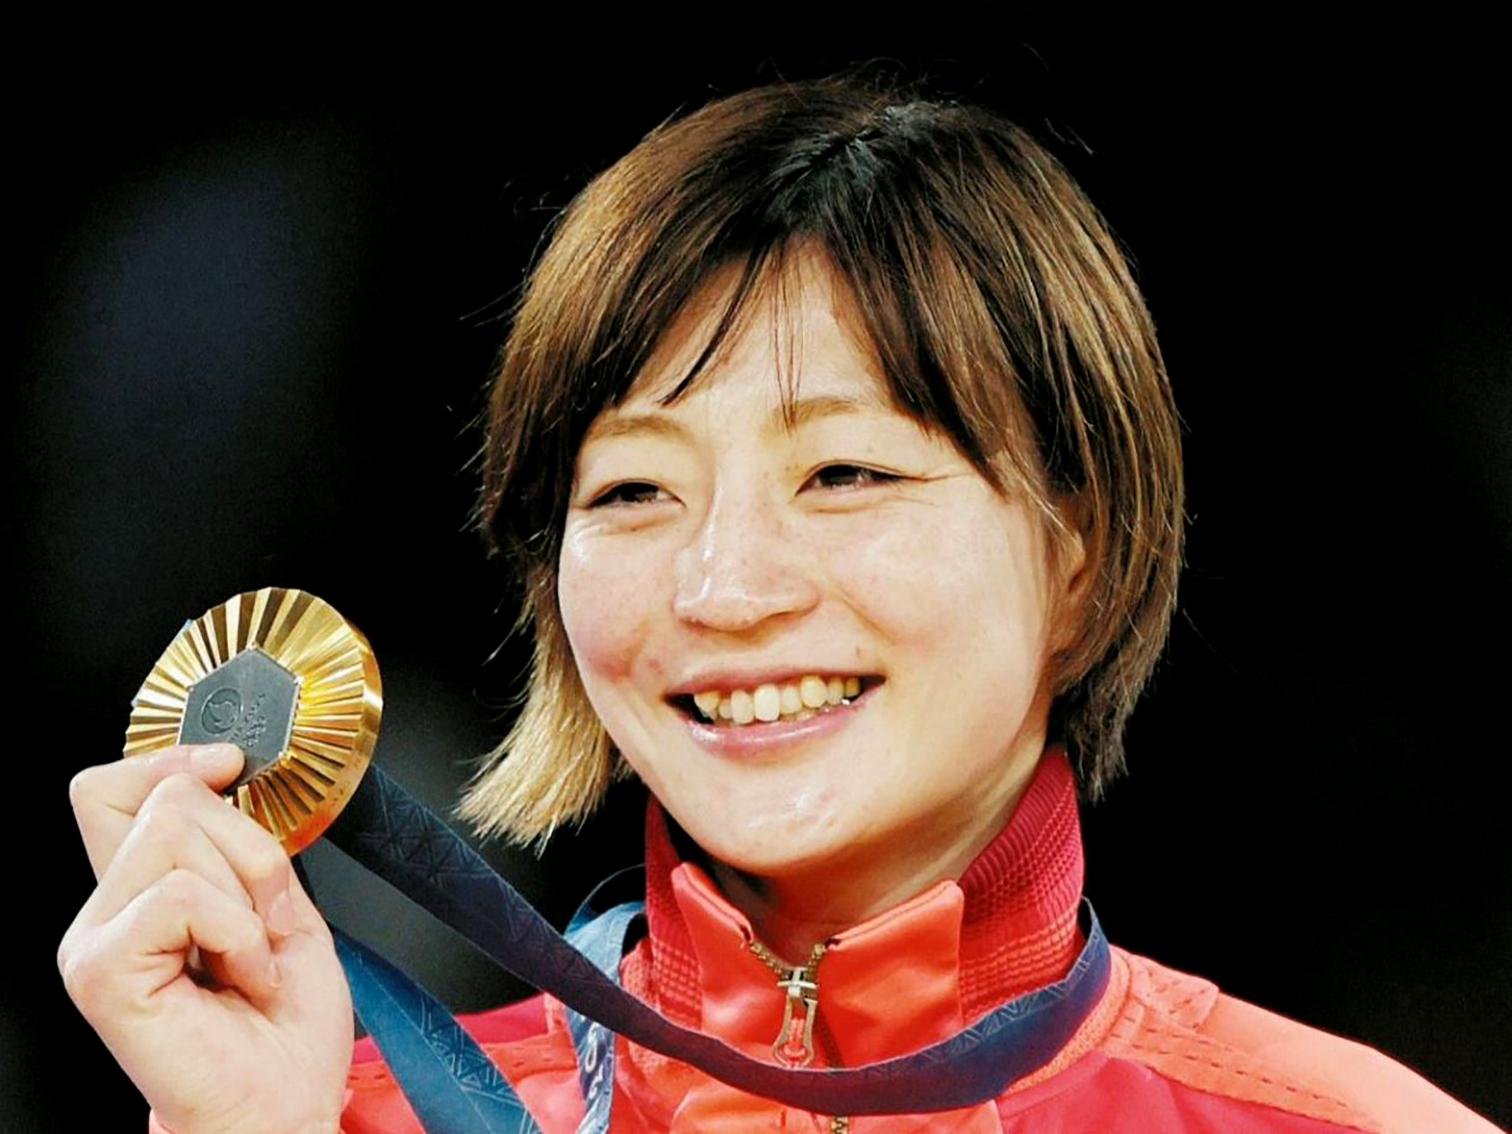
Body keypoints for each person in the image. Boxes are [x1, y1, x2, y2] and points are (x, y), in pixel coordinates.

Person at [58, 76, 1501, 1133]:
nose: (725, 588)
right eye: (635, 491)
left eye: (846, 472)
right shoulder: (337, 1117)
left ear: (1080, 552)